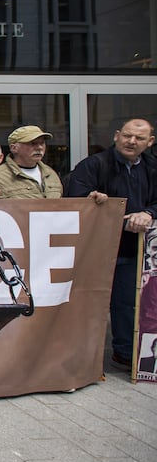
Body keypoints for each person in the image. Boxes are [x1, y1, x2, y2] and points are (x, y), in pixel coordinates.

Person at [65, 118, 156, 369]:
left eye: (139, 138)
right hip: (95, 249)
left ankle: (125, 353)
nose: (131, 141)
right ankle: (80, 357)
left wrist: (148, 213)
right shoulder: (93, 165)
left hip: (134, 249)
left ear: (150, 142)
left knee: (127, 302)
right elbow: (75, 200)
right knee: (86, 302)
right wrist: (92, 201)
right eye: (127, 135)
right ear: (116, 136)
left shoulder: (152, 167)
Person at [0, 125, 63, 203]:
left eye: (42, 143)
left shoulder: (51, 174)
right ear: (14, 148)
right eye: (33, 143)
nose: (39, 147)